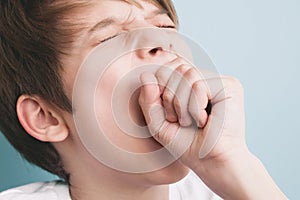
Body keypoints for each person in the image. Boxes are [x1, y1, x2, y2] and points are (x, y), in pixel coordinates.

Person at [0, 0, 288, 199]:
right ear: (46, 117)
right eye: (111, 39)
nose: (159, 42)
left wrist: (234, 165)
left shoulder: (234, 190)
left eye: (164, 28)